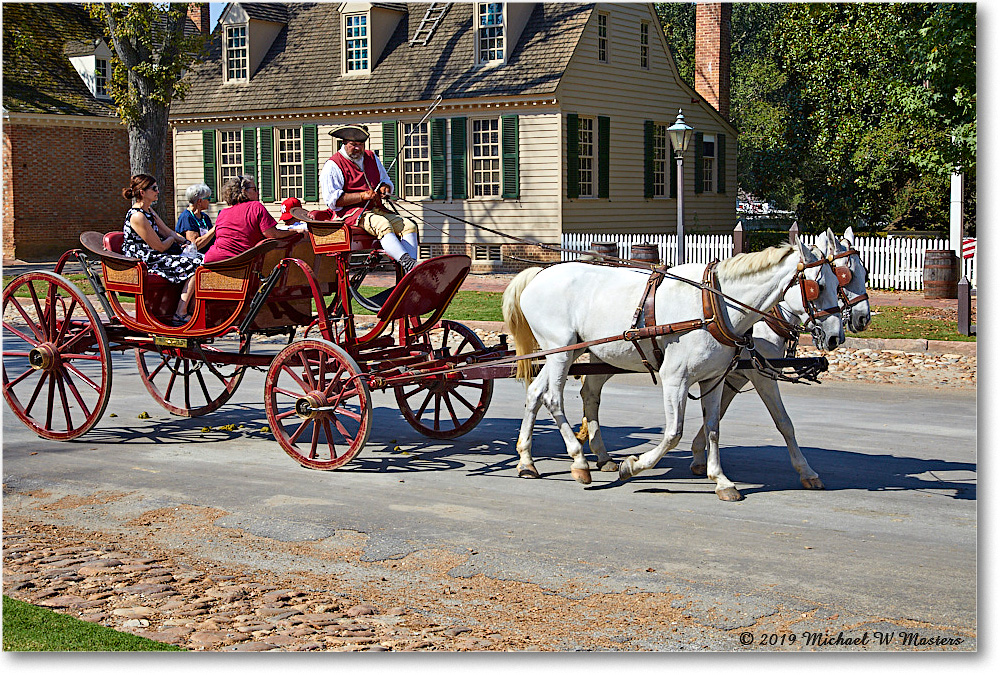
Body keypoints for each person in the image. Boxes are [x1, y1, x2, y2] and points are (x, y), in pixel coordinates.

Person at [319, 124, 419, 273]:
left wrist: (385, 188)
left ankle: (411, 271)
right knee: (383, 225)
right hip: (350, 214)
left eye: (361, 145)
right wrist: (362, 196)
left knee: (409, 225)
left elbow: (386, 180)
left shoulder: (372, 157)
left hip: (376, 209)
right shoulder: (333, 165)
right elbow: (333, 200)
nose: (358, 149)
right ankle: (407, 262)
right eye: (353, 145)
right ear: (344, 143)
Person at [120, 174, 201, 326]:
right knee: (196, 265)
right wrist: (172, 241)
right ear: (142, 192)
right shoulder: (137, 216)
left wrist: (185, 241)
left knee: (202, 259)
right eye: (154, 189)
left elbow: (167, 231)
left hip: (156, 254)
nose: (158, 191)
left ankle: (194, 307)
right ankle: (180, 313)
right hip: (144, 259)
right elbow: (160, 246)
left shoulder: (149, 211)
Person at [203, 174, 298, 264]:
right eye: (254, 189)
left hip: (211, 261)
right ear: (244, 191)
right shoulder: (255, 207)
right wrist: (294, 231)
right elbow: (272, 234)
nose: (257, 192)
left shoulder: (223, 213)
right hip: (238, 262)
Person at [175, 183, 216, 252]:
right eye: (208, 199)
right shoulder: (187, 217)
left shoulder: (204, 217)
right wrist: (214, 228)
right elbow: (194, 246)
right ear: (199, 201)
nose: (210, 201)